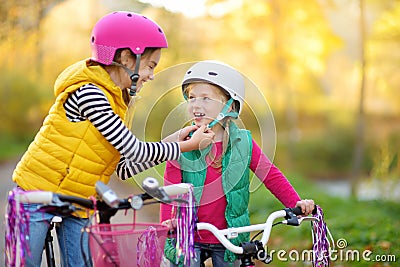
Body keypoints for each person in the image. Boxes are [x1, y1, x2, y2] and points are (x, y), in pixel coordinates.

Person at [10, 12, 214, 267]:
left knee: (81, 263)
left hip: (80, 200)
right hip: (37, 192)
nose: (152, 75)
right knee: (24, 263)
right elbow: (135, 150)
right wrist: (184, 147)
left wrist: (174, 141)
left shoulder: (116, 103)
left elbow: (124, 168)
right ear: (127, 58)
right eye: (150, 65)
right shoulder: (90, 93)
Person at [160, 60, 315, 267]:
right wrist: (166, 223)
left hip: (230, 236)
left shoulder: (243, 143)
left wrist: (296, 203)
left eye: (205, 98)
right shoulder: (183, 144)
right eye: (192, 98)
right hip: (189, 235)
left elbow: (270, 175)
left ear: (229, 106)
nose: (196, 104)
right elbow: (169, 187)